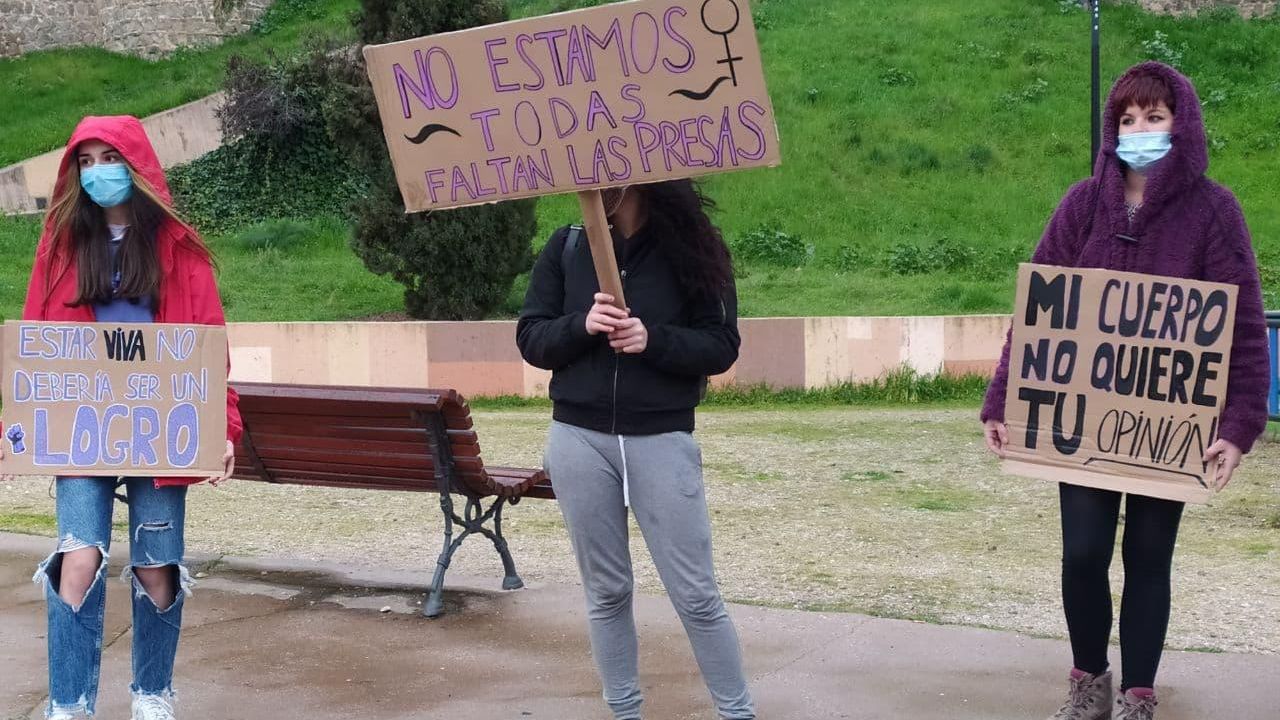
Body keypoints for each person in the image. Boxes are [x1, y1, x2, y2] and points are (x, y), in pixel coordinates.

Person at [980, 63, 1268, 720]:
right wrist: (1002, 400)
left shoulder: (1214, 211)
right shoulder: (1082, 205)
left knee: (1147, 558)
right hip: (1081, 421)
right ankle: (1089, 687)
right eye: (1127, 119)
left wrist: (1240, 424)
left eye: (1154, 116)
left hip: (1169, 428)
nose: (1138, 129)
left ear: (1181, 123)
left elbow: (1244, 324)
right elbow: (1038, 313)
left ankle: (1139, 694)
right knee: (1082, 553)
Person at [0, 116, 242, 720]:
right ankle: (69, 703)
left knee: (157, 567)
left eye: (109, 157)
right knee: (78, 558)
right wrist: (14, 428)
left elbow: (208, 345)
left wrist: (223, 427)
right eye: (85, 160)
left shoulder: (178, 249)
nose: (97, 171)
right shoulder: (59, 249)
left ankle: (152, 693)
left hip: (159, 429)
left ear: (135, 164)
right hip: (83, 428)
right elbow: (35, 342)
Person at [516, 180, 754, 720]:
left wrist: (654, 340)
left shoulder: (696, 247)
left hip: (662, 437)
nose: (595, 187)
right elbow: (531, 336)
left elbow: (721, 344)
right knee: (606, 591)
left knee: (695, 594)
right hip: (579, 437)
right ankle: (624, 712)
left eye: (608, 178)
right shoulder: (567, 246)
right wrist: (582, 325)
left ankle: (737, 711)